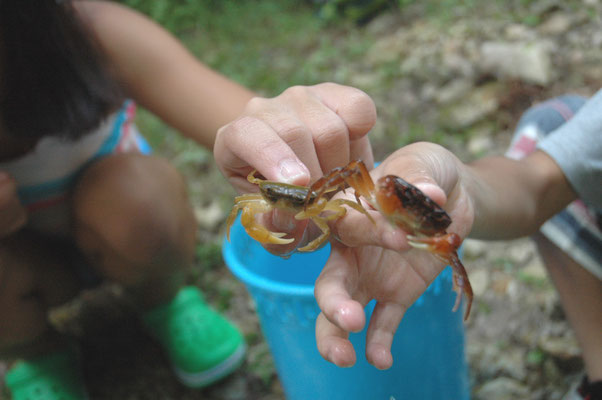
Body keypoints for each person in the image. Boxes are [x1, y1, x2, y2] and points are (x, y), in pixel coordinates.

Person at [0, 1, 375, 399]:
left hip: (122, 221)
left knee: (143, 203)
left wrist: (285, 127)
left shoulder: (91, 34)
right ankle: (34, 351)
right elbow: (245, 213)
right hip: (21, 261)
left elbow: (241, 120)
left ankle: (163, 301)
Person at [300, 92, 600, 399]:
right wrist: (463, 187)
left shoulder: (436, 230)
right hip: (396, 207)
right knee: (548, 122)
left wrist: (459, 275)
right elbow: (539, 184)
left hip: (425, 225)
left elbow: (451, 244)